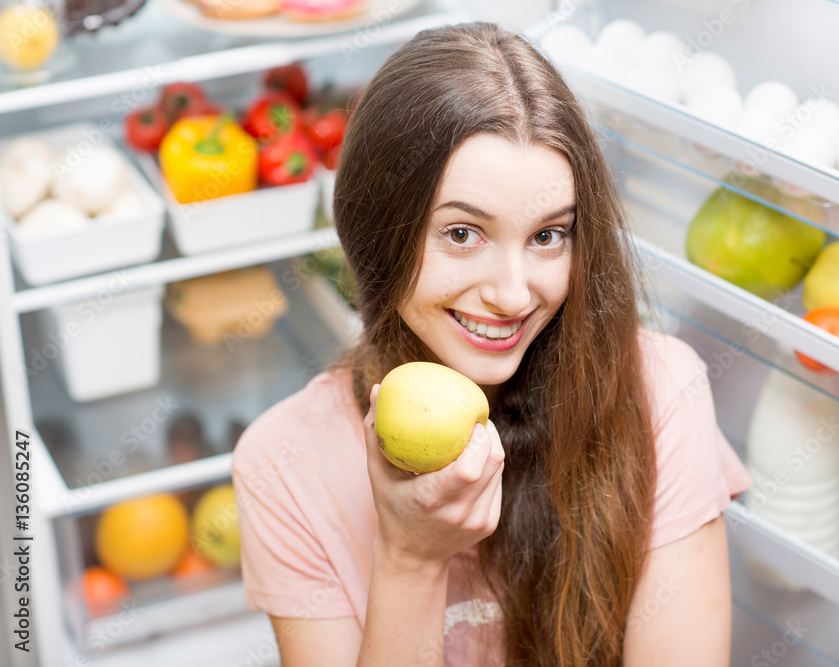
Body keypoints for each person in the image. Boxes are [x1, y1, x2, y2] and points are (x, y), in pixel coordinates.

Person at [232, 21, 752, 667]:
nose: (512, 294)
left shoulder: (661, 392)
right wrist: (410, 558)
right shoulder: (285, 463)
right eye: (461, 233)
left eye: (546, 236)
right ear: (374, 232)